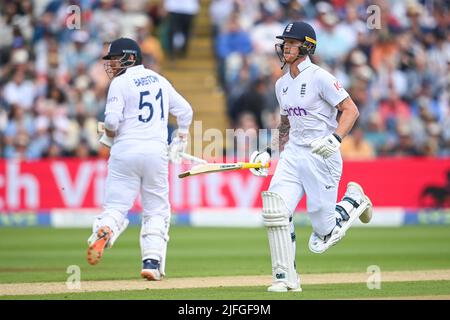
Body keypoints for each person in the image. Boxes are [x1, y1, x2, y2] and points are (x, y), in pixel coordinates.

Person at [249, 22, 373, 292]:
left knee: (324, 232)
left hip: (321, 155)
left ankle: (353, 200)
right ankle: (285, 277)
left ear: (307, 46)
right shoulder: (281, 84)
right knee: (276, 211)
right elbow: (285, 126)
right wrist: (268, 151)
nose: (286, 47)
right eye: (285, 42)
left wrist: (335, 138)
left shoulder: (321, 77)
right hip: (293, 154)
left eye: (292, 43)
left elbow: (350, 110)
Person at [86, 38, 193, 281]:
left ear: (130, 58)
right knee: (156, 211)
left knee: (115, 208)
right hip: (156, 153)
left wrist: (110, 134)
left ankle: (107, 229)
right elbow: (185, 112)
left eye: (115, 59)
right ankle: (152, 262)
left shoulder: (120, 83)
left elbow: (112, 122)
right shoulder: (160, 80)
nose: (111, 64)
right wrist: (181, 139)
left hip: (125, 152)